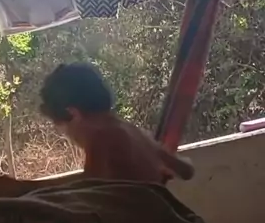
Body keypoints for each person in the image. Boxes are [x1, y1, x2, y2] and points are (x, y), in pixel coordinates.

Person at [39, 62, 194, 185]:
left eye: (64, 130)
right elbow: (186, 170)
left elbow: (89, 188)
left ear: (73, 114)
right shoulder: (130, 130)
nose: (70, 139)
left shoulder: (102, 138)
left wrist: (29, 188)